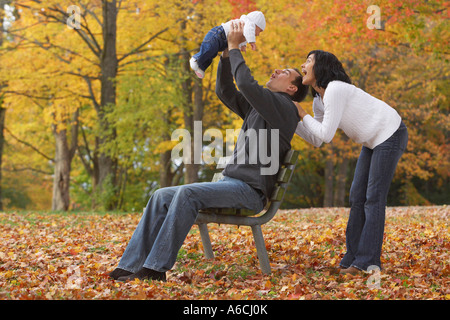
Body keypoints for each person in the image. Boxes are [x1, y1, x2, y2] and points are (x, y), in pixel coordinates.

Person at [109, 21, 308, 281]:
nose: (276, 70)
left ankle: (156, 269)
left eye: (285, 72)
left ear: (292, 88)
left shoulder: (284, 108)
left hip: (249, 192)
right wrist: (226, 53)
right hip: (232, 184)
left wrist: (236, 47)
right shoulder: (262, 106)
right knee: (160, 196)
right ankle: (130, 266)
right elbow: (225, 91)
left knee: (187, 194)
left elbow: (247, 85)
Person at [295, 50, 408, 274]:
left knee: (373, 198)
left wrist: (300, 112)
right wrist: (293, 120)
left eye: (308, 61)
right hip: (372, 141)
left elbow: (326, 134)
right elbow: (317, 139)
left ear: (322, 67)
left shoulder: (336, 88)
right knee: (357, 196)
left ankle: (366, 261)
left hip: (390, 133)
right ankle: (352, 258)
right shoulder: (319, 100)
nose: (302, 65)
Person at [190, 11, 266, 79]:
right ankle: (196, 58)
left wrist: (243, 45)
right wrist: (252, 42)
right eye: (260, 31)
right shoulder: (248, 23)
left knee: (212, 54)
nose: (258, 34)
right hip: (218, 34)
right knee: (209, 49)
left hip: (223, 41)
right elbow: (248, 31)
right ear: (255, 25)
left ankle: (201, 68)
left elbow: (244, 35)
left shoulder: (246, 27)